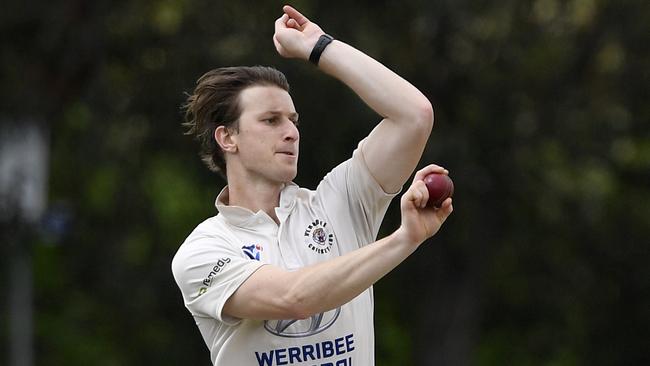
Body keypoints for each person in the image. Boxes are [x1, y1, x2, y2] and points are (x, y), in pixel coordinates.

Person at [171, 5, 453, 366]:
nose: (291, 132)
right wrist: (405, 238)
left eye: (293, 120)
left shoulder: (339, 203)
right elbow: (294, 299)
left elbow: (414, 116)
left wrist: (318, 47)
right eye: (271, 120)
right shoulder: (202, 251)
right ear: (227, 138)